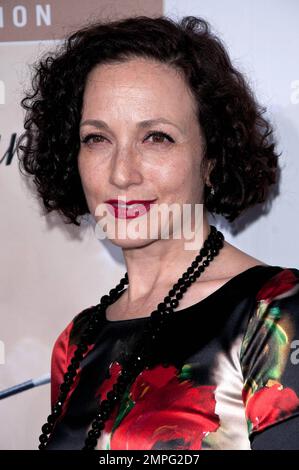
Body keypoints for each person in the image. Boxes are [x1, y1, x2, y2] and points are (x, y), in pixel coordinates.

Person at [17, 15, 299, 450]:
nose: (121, 173)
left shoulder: (277, 313)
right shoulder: (76, 342)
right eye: (97, 139)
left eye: (157, 138)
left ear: (211, 159)